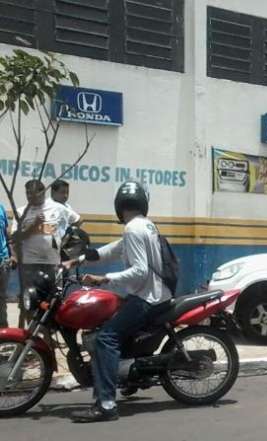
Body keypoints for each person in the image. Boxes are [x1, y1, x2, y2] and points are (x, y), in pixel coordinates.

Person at [65, 181, 172, 423]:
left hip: (146, 297)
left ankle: (106, 404)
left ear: (119, 205)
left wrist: (104, 279)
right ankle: (125, 375)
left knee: (106, 338)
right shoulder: (145, 225)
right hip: (153, 293)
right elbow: (111, 250)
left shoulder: (133, 229)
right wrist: (77, 260)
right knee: (110, 326)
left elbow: (140, 271)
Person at [10, 179, 81, 327]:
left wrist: (66, 238)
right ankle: (28, 337)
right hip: (29, 265)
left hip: (52, 264)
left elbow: (77, 221)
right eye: (27, 193)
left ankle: (48, 339)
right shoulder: (21, 212)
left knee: (53, 303)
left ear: (42, 192)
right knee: (28, 303)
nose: (30, 196)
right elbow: (15, 238)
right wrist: (33, 227)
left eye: (33, 192)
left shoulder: (57, 208)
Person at [0, 202, 15, 328]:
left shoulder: (1, 208)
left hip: (3, 261)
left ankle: (3, 332)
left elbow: (6, 233)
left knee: (1, 298)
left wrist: (13, 255)